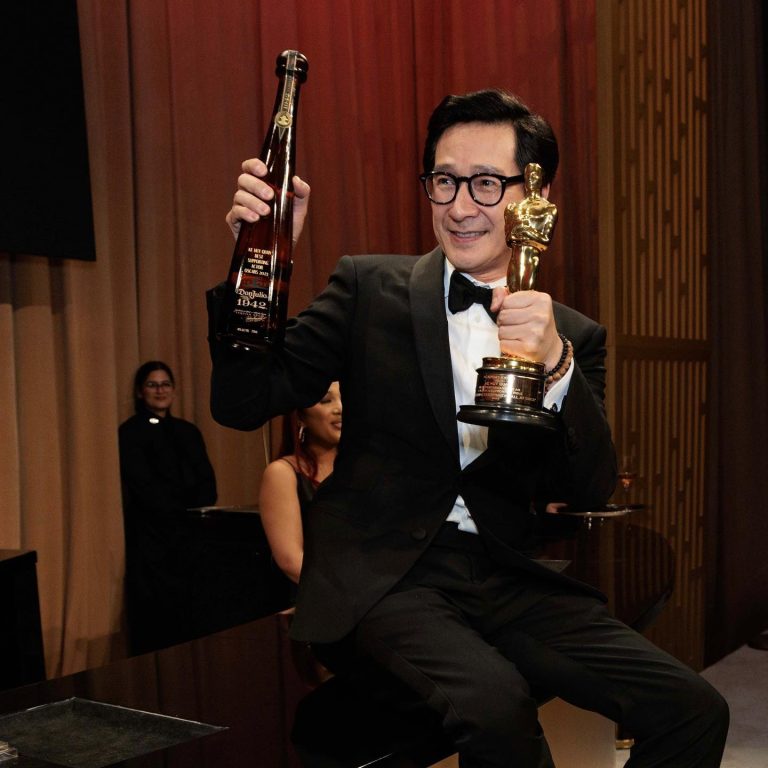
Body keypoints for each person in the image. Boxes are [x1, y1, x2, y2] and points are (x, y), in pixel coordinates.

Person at [208, 89, 728, 767]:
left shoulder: (574, 334)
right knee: (498, 709)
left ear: (536, 196)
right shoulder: (368, 287)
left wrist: (557, 367)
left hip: (505, 576)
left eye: (486, 183)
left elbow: (590, 486)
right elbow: (243, 402)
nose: (459, 206)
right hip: (384, 578)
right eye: (445, 180)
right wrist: (258, 268)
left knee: (693, 708)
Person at [118, 360, 217, 654]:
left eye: (165, 384)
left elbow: (207, 484)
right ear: (140, 391)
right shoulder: (130, 432)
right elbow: (143, 487)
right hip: (152, 541)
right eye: (152, 385)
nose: (160, 390)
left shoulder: (187, 431)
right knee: (157, 619)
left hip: (190, 540)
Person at [259, 382, 342, 587]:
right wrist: (348, 593)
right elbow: (291, 561)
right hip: (318, 595)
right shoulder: (282, 473)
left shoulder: (362, 467)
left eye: (345, 398)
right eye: (326, 400)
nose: (340, 408)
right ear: (300, 417)